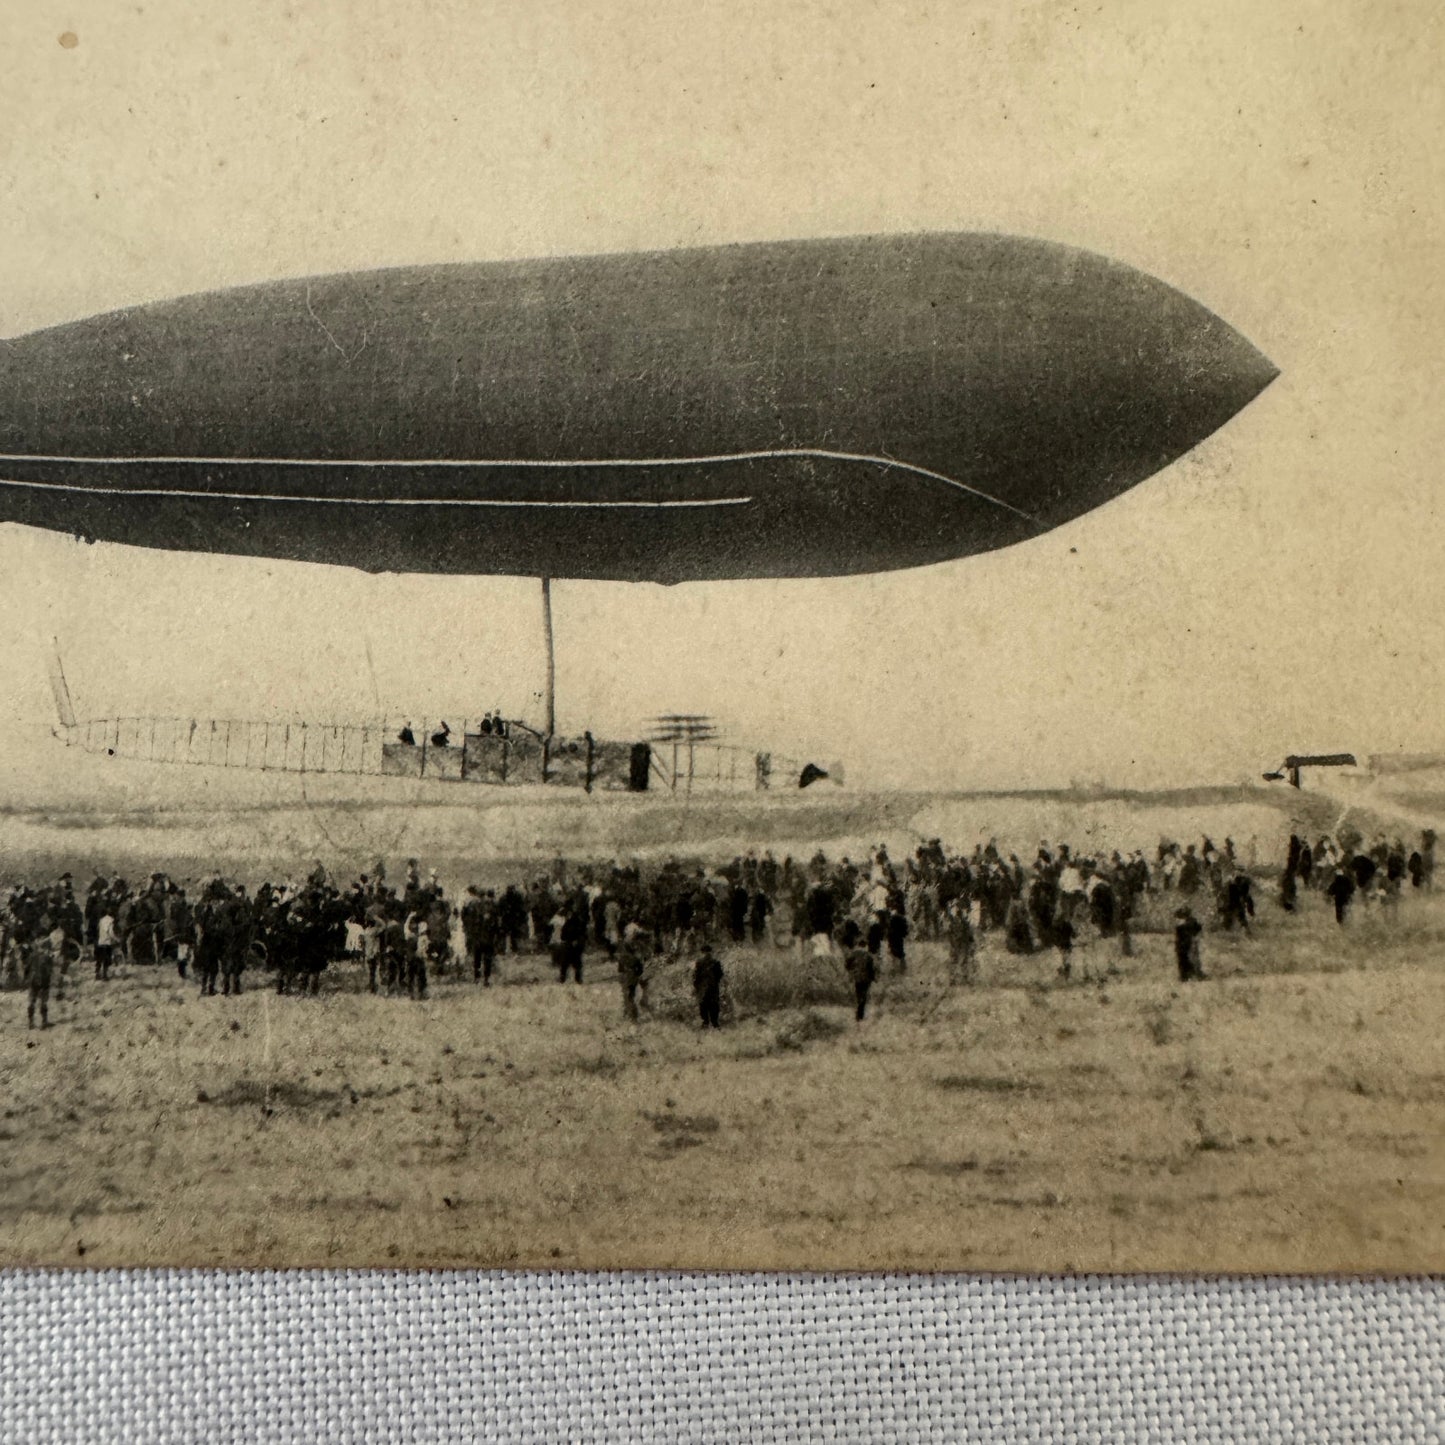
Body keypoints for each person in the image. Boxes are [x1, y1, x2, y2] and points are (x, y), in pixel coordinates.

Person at [617, 925, 648, 1021]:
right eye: (633, 934)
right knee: (628, 994)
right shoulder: (626, 945)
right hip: (629, 972)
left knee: (630, 994)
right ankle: (630, 1014)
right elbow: (625, 960)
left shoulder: (634, 944)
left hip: (633, 972)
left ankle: (631, 1015)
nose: (634, 937)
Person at [692, 945, 724, 1029]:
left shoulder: (699, 962)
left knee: (704, 1005)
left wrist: (696, 987)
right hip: (713, 987)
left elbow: (695, 976)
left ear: (702, 952)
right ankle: (714, 1023)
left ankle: (705, 1023)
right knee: (713, 1005)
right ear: (711, 952)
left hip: (703, 988)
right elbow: (720, 975)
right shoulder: (716, 962)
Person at [844, 943, 876, 1022]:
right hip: (866, 978)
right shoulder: (868, 956)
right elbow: (871, 968)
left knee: (858, 993)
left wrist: (851, 972)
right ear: (865, 946)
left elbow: (847, 965)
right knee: (864, 995)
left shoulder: (853, 955)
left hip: (857, 977)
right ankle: (860, 1012)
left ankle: (859, 1010)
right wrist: (873, 978)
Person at [1174, 906, 1204, 982]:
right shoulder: (1191, 922)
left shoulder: (1182, 924)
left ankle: (1187, 975)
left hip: (1185, 944)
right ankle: (1191, 974)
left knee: (1187, 959)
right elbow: (1199, 929)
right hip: (1186, 944)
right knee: (1189, 959)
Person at [94, 907, 117, 980]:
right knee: (106, 960)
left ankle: (97, 974)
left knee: (99, 959)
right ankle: (104, 975)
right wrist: (116, 939)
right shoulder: (111, 921)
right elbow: (110, 932)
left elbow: (98, 930)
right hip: (107, 942)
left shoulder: (101, 920)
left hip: (100, 941)